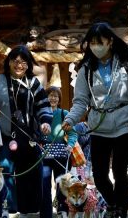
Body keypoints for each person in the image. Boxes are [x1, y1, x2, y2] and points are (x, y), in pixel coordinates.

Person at [61, 22, 128, 218]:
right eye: (91, 43)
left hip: (123, 124)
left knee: (119, 172)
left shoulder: (127, 61)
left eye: (98, 42)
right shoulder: (85, 68)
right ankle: (114, 205)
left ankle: (120, 213)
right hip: (98, 126)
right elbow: (80, 101)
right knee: (100, 176)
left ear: (110, 42)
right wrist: (70, 119)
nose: (95, 47)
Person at [0, 45, 52, 216]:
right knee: (4, 172)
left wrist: (45, 123)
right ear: (9, 62)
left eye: (24, 62)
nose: (19, 65)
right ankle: (6, 210)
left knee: (31, 175)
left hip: (28, 139)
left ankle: (28, 211)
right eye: (15, 61)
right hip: (3, 137)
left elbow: (43, 106)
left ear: (28, 64)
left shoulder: (33, 83)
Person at [41, 86, 77, 218]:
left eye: (56, 96)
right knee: (44, 185)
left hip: (61, 154)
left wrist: (70, 145)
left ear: (59, 99)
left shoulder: (64, 114)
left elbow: (72, 133)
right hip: (44, 154)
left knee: (62, 185)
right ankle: (46, 214)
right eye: (50, 95)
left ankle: (62, 211)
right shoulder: (41, 114)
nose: (53, 98)